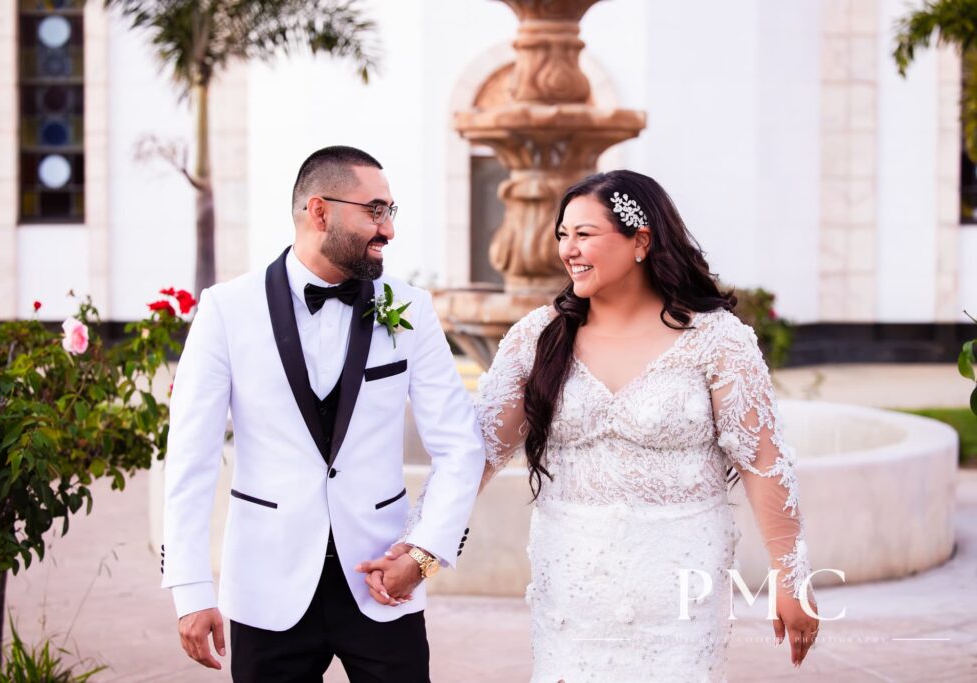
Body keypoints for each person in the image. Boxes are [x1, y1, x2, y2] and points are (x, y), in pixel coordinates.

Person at [477, 170, 820, 681]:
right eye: (562, 235)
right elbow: (478, 451)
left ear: (641, 240)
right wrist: (420, 551)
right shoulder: (538, 337)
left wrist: (789, 575)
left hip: (680, 579)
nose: (568, 250)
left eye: (585, 234)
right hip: (573, 581)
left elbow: (763, 460)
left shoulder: (717, 339)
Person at [161, 145, 485, 682]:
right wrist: (190, 588)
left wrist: (423, 556)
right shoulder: (226, 310)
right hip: (267, 586)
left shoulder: (413, 309)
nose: (388, 229)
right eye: (374, 211)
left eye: (390, 212)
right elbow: (190, 458)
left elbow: (459, 446)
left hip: (383, 582)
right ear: (319, 211)